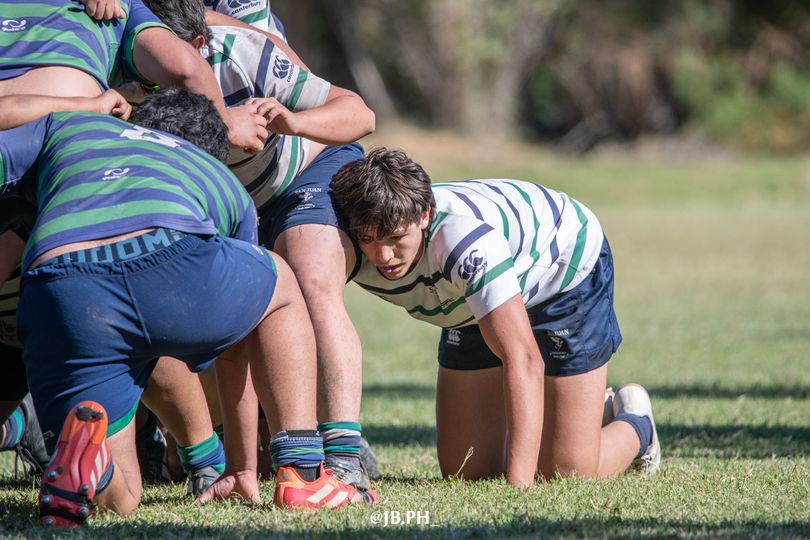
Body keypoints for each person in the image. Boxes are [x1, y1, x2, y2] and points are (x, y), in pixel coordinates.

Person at [0, 89, 374, 527]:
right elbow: (237, 343)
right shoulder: (220, 178)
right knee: (280, 283)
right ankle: (303, 474)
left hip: (60, 282)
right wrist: (241, 468)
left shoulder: (72, 127)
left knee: (122, 498)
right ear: (214, 151)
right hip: (167, 252)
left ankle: (94, 467)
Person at [139, 0, 379, 488]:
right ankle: (209, 449)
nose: (164, 71)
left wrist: (294, 122)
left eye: (178, 62)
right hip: (222, 200)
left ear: (200, 47)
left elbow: (360, 113)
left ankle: (343, 450)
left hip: (300, 173)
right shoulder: (125, 61)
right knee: (199, 308)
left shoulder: (243, 50)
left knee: (309, 276)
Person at [331, 148, 661, 486]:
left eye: (396, 237)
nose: (383, 255)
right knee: (467, 471)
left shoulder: (464, 242)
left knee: (564, 472)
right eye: (368, 239)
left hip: (559, 268)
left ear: (424, 215)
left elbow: (524, 359)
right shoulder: (346, 243)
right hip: (471, 296)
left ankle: (637, 425)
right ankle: (573, 416)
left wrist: (518, 490)